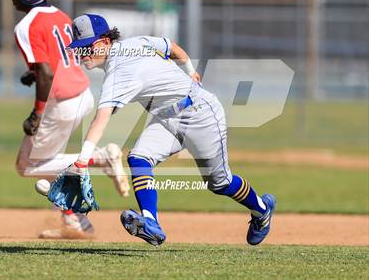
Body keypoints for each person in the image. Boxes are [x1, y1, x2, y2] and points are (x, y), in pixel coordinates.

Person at [67, 13, 276, 246]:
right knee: (139, 157)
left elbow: (101, 118)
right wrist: (189, 70)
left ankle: (262, 209)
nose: (82, 54)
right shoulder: (136, 43)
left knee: (220, 183)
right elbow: (172, 47)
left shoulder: (118, 71)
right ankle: (150, 222)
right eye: (78, 48)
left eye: (86, 47)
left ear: (105, 42)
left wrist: (81, 161)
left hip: (200, 114)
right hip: (166, 119)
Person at [1, 0, 129, 239]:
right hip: (82, 94)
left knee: (27, 166)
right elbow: (59, 58)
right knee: (47, 163)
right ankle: (74, 219)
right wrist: (33, 72)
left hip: (61, 102)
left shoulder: (25, 26)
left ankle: (101, 159)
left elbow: (47, 73)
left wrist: (36, 114)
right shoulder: (60, 16)